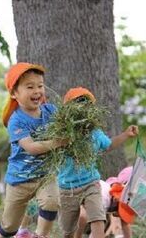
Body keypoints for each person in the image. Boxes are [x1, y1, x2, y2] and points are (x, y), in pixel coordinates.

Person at [0, 62, 66, 238]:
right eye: (30, 87)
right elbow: (32, 147)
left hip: (45, 175)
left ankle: (40, 235)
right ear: (14, 93)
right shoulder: (16, 121)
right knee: (9, 226)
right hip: (19, 180)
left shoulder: (51, 111)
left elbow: (67, 125)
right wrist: (58, 142)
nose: (37, 91)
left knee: (51, 202)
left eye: (40, 86)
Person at [57, 87, 138, 238]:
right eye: (78, 104)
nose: (83, 108)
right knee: (68, 230)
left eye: (87, 105)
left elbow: (109, 145)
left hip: (91, 183)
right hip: (67, 187)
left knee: (97, 216)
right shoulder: (64, 134)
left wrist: (126, 134)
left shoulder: (95, 133)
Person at [75, 166, 134, 238]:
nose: (119, 217)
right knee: (84, 217)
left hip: (86, 188)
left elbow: (125, 224)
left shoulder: (114, 197)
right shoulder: (105, 200)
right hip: (87, 192)